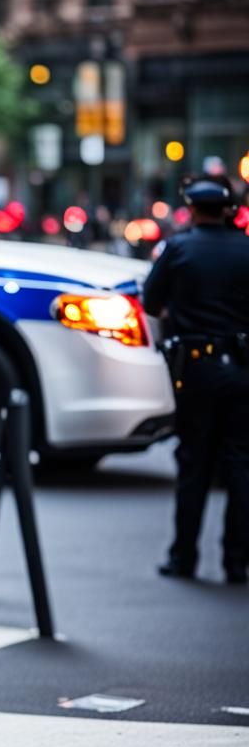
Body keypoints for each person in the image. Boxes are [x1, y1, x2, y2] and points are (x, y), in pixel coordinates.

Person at [143, 174, 249, 585]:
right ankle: (236, 562)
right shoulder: (246, 249)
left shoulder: (178, 248)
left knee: (194, 464)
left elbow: (151, 301)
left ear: (191, 209)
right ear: (228, 210)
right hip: (242, 369)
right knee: (241, 466)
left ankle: (183, 556)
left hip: (197, 368)